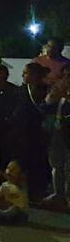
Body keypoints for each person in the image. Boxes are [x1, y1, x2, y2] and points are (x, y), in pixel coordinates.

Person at [10, 62, 51, 201]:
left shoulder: (45, 90)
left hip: (37, 133)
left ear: (34, 75)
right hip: (19, 133)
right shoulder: (19, 90)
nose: (23, 75)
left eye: (26, 73)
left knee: (37, 162)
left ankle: (36, 191)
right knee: (20, 162)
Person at [42, 63, 70, 208]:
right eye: (64, 75)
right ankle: (58, 193)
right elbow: (47, 104)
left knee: (68, 167)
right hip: (57, 132)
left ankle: (68, 196)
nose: (66, 79)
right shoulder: (60, 91)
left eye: (69, 76)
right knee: (56, 165)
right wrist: (53, 95)